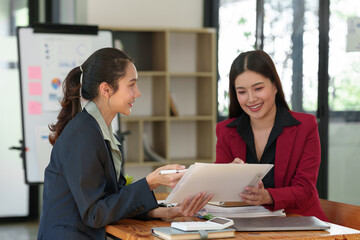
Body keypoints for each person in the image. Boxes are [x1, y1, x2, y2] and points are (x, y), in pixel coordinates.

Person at [37, 48, 213, 240]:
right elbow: (95, 213)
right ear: (106, 89)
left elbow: (113, 200)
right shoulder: (83, 134)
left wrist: (162, 212)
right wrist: (151, 182)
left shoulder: (100, 130)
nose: (137, 93)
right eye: (132, 85)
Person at [215, 50, 328, 221]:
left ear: (275, 86)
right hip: (247, 224)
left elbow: (305, 189)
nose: (251, 99)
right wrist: (228, 176)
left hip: (300, 222)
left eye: (258, 88)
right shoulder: (225, 131)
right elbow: (220, 190)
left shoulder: (305, 126)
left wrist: (267, 196)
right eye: (242, 92)